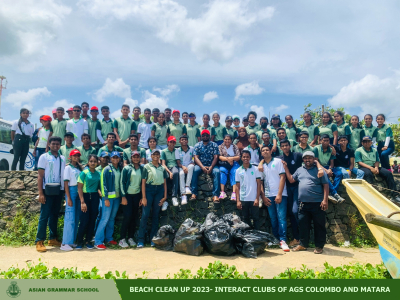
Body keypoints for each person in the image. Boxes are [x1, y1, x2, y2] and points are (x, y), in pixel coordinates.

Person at [283, 151, 329, 254]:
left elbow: (326, 185)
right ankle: (303, 244)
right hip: (303, 204)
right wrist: (286, 168)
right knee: (303, 225)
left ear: (314, 159)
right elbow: (291, 180)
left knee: (319, 226)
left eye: (310, 158)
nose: (307, 160)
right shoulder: (299, 170)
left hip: (317, 203)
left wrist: (325, 200)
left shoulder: (319, 170)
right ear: (303, 160)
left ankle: (319, 246)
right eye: (305, 158)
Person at [35, 136, 65, 252]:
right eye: (53, 144)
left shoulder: (62, 158)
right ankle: (39, 241)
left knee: (54, 215)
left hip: (58, 190)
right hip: (47, 191)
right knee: (44, 216)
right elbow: (40, 176)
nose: (55, 146)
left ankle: (52, 238)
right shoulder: (44, 157)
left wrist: (63, 193)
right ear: (49, 144)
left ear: (60, 145)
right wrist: (41, 193)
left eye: (58, 144)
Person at [258, 145, 289, 252]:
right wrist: (263, 196)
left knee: (281, 218)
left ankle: (283, 240)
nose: (265, 151)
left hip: (280, 194)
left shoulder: (278, 161)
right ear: (261, 153)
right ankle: (275, 239)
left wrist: (279, 194)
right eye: (263, 150)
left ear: (271, 151)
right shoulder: (261, 166)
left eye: (267, 150)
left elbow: (283, 177)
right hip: (268, 195)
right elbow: (260, 182)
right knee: (273, 218)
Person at [138, 149, 168, 247]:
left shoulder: (162, 168)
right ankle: (141, 240)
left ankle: (153, 239)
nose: (156, 156)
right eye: (154, 154)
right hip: (149, 190)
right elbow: (143, 182)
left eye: (157, 154)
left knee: (156, 215)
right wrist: (144, 197)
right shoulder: (146, 167)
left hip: (159, 191)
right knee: (145, 215)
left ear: (159, 156)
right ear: (151, 156)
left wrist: (165, 196)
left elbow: (164, 183)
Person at [355, 136, 399, 202]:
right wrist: (371, 168)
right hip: (363, 167)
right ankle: (372, 195)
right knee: (368, 174)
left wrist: (376, 167)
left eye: (368, 141)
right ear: (362, 143)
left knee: (388, 173)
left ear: (371, 142)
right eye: (365, 141)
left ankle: (394, 195)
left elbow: (377, 160)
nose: (367, 143)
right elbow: (359, 162)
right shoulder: (358, 150)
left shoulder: (374, 150)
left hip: (374, 166)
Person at [277, 139, 303, 247]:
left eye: (286, 145)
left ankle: (301, 238)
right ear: (280, 147)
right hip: (285, 188)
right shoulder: (279, 159)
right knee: (290, 213)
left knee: (295, 211)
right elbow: (266, 160)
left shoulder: (297, 155)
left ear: (290, 145)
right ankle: (296, 238)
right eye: (282, 146)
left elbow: (310, 161)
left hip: (297, 186)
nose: (285, 147)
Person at [95, 151, 122, 249]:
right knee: (104, 219)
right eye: (113, 157)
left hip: (117, 198)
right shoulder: (106, 169)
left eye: (117, 157)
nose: (115, 159)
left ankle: (109, 238)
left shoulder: (119, 168)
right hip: (108, 199)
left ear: (119, 159)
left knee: (111, 219)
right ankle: (98, 241)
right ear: (111, 158)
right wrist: (105, 198)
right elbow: (103, 184)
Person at [76, 154, 101, 249]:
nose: (93, 163)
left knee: (92, 220)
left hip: (94, 197)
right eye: (91, 161)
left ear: (97, 162)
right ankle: (79, 242)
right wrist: (82, 202)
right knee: (84, 220)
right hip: (85, 197)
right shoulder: (84, 173)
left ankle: (88, 240)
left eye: (95, 161)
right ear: (88, 162)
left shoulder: (98, 173)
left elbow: (98, 186)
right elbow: (79, 187)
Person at [119, 151, 143, 248]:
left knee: (134, 217)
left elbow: (143, 183)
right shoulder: (127, 168)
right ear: (131, 158)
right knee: (127, 217)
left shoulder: (142, 168)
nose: (136, 158)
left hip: (137, 196)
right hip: (127, 196)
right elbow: (122, 182)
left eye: (137, 157)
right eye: (134, 157)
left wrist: (142, 197)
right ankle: (122, 239)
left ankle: (130, 237)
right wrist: (123, 196)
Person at [60, 149, 82, 251]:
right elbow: (66, 184)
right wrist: (68, 198)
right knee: (70, 218)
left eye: (78, 155)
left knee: (76, 218)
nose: (76, 157)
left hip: (78, 192)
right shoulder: (68, 168)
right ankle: (65, 243)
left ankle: (71, 241)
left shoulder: (79, 168)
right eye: (74, 155)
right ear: (71, 157)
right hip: (71, 192)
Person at [191, 130, 220, 203]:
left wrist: (211, 167)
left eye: (207, 135)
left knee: (217, 172)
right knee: (194, 170)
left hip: (212, 164)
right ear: (201, 136)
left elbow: (216, 157)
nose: (205, 137)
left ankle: (215, 195)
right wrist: (202, 167)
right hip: (201, 165)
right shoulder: (197, 145)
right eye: (203, 135)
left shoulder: (214, 145)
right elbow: (196, 158)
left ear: (209, 136)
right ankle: (194, 193)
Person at [313, 134, 345, 203]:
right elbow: (316, 162)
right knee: (324, 174)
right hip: (318, 167)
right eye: (324, 140)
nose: (326, 142)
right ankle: (335, 194)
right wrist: (326, 170)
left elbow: (332, 162)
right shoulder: (316, 148)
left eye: (327, 141)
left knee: (339, 174)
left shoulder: (330, 150)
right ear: (320, 141)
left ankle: (332, 193)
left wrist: (330, 169)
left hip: (327, 166)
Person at [235, 150, 261, 230]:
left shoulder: (255, 169)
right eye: (244, 157)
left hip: (254, 199)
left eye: (247, 157)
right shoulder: (238, 170)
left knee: (256, 218)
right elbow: (237, 187)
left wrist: (257, 198)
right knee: (245, 219)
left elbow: (259, 184)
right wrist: (238, 201)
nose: (246, 158)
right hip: (243, 198)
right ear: (241, 158)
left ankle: (257, 236)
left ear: (250, 158)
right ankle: (248, 237)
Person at [218, 134, 240, 201]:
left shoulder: (234, 146)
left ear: (231, 140)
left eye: (229, 139)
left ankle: (234, 193)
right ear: (223, 140)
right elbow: (220, 157)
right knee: (222, 171)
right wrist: (228, 159)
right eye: (226, 139)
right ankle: (222, 192)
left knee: (235, 172)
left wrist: (231, 159)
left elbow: (238, 157)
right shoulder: (220, 147)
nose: (227, 141)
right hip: (224, 163)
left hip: (234, 163)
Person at [175, 136, 195, 205]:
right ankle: (183, 195)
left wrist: (193, 161)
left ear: (187, 141)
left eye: (185, 140)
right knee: (181, 174)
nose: (184, 141)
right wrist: (183, 167)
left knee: (192, 166)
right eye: (182, 140)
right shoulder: (177, 150)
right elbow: (178, 162)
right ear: (180, 141)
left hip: (189, 165)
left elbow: (193, 158)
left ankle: (187, 187)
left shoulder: (191, 148)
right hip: (181, 166)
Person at [161, 136, 179, 207]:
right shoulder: (164, 151)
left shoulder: (177, 150)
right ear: (167, 142)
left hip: (174, 166)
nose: (172, 143)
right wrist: (169, 172)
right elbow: (163, 164)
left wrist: (172, 173)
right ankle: (165, 199)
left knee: (176, 173)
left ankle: (174, 196)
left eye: (173, 142)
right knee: (165, 176)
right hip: (167, 167)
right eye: (170, 142)